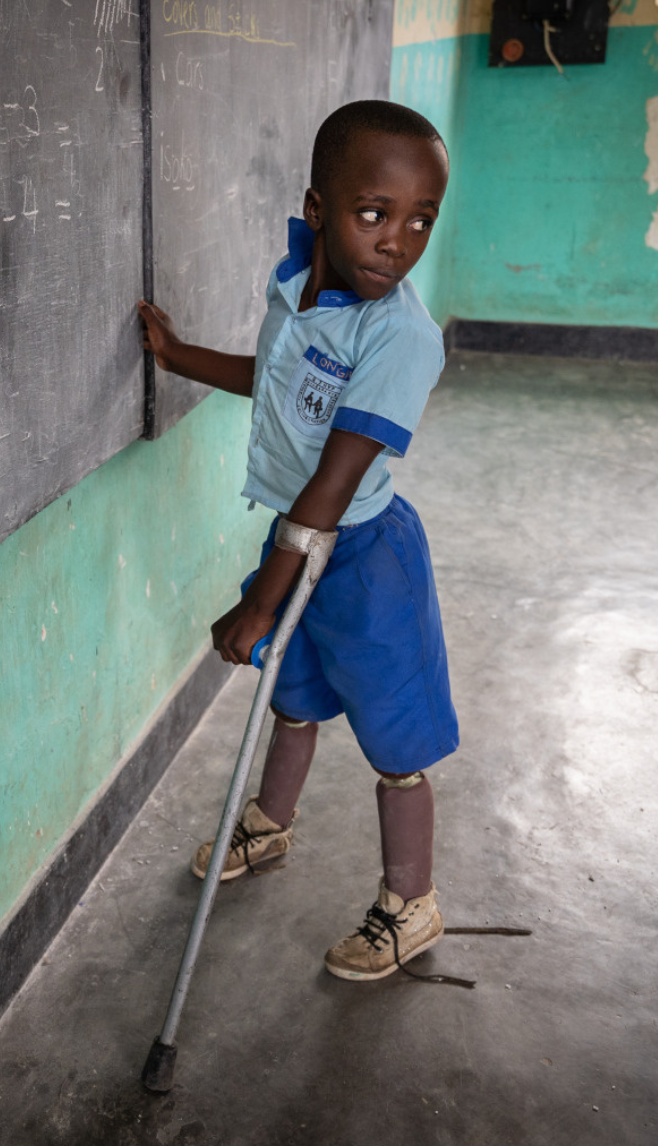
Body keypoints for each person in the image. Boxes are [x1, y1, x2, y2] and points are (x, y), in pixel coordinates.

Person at [137, 100, 456, 983]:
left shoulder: (401, 337)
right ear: (318, 212)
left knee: (396, 744)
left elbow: (331, 485)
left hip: (360, 557)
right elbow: (277, 384)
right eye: (374, 214)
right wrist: (179, 357)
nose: (399, 241)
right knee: (293, 695)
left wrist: (258, 600)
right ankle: (270, 826)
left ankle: (412, 904)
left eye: (421, 220)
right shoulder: (300, 285)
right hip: (297, 543)